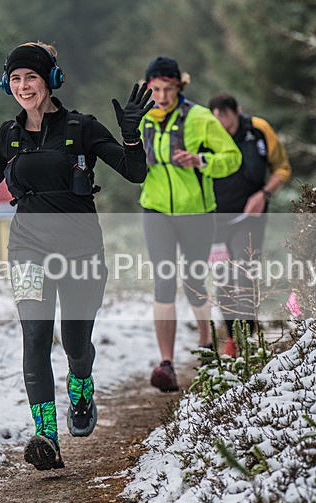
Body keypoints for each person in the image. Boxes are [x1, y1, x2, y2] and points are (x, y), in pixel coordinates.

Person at [0, 42, 152, 471]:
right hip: (28, 248)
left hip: (81, 249)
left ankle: (82, 386)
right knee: (34, 336)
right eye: (15, 79)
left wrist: (130, 135)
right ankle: (46, 434)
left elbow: (135, 172)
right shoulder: (8, 134)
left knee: (74, 343)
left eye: (31, 77)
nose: (23, 86)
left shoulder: (82, 127)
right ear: (6, 84)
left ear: (50, 80)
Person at [137, 56, 242, 393]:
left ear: (179, 87)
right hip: (155, 209)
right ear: (148, 87)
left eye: (169, 89)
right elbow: (131, 157)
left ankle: (205, 340)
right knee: (163, 283)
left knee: (194, 280)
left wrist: (201, 160)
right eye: (156, 89)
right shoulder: (143, 118)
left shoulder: (199, 117)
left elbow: (232, 158)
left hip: (197, 211)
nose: (162, 96)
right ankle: (166, 364)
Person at [207, 92, 292, 356]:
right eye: (217, 119)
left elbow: (282, 168)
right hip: (214, 220)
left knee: (244, 273)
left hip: (249, 215)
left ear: (237, 112)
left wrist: (264, 194)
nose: (223, 126)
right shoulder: (204, 135)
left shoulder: (258, 129)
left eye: (228, 119)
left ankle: (247, 338)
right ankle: (232, 338)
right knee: (223, 279)